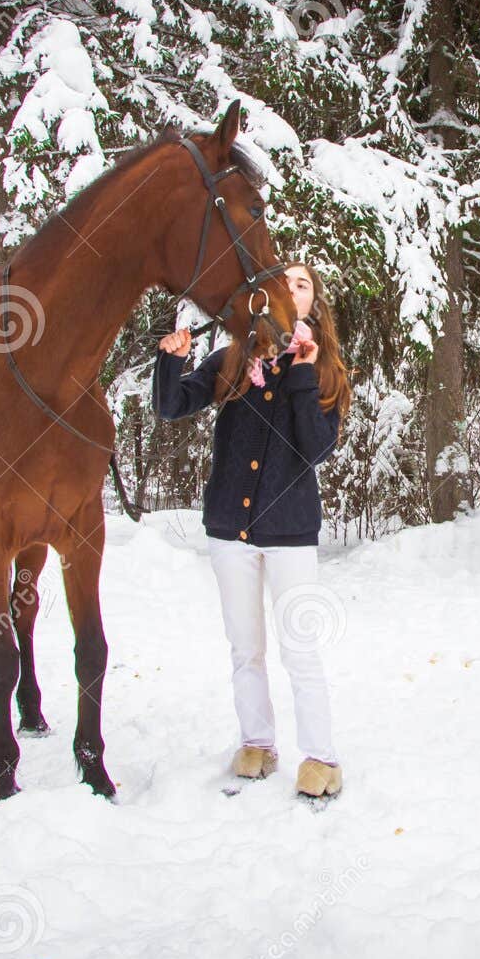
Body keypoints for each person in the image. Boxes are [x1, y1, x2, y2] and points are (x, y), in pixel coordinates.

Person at [154, 262, 352, 800]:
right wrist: (172, 362)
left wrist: (304, 372)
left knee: (299, 649)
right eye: (283, 282)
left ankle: (321, 759)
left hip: (289, 533)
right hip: (229, 531)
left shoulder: (327, 370)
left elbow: (316, 449)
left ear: (314, 304)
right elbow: (173, 405)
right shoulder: (236, 358)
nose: (290, 290)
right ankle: (257, 744)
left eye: (302, 284)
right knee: (245, 649)